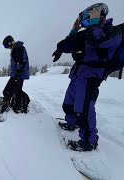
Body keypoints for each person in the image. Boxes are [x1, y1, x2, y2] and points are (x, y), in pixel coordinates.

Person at [52, 3, 122, 151]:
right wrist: (72, 32)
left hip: (92, 75)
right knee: (69, 104)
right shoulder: (88, 32)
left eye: (87, 20)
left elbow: (100, 41)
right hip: (78, 73)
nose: (84, 24)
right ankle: (72, 123)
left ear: (100, 17)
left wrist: (94, 24)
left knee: (83, 108)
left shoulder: (112, 31)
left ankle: (89, 140)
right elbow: (71, 44)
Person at [0, 35, 30, 114]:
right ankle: (18, 107)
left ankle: (4, 105)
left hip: (18, 74)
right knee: (17, 90)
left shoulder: (17, 48)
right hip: (20, 74)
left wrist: (17, 73)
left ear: (10, 43)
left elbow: (21, 61)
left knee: (8, 90)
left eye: (8, 47)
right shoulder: (18, 47)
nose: (9, 48)